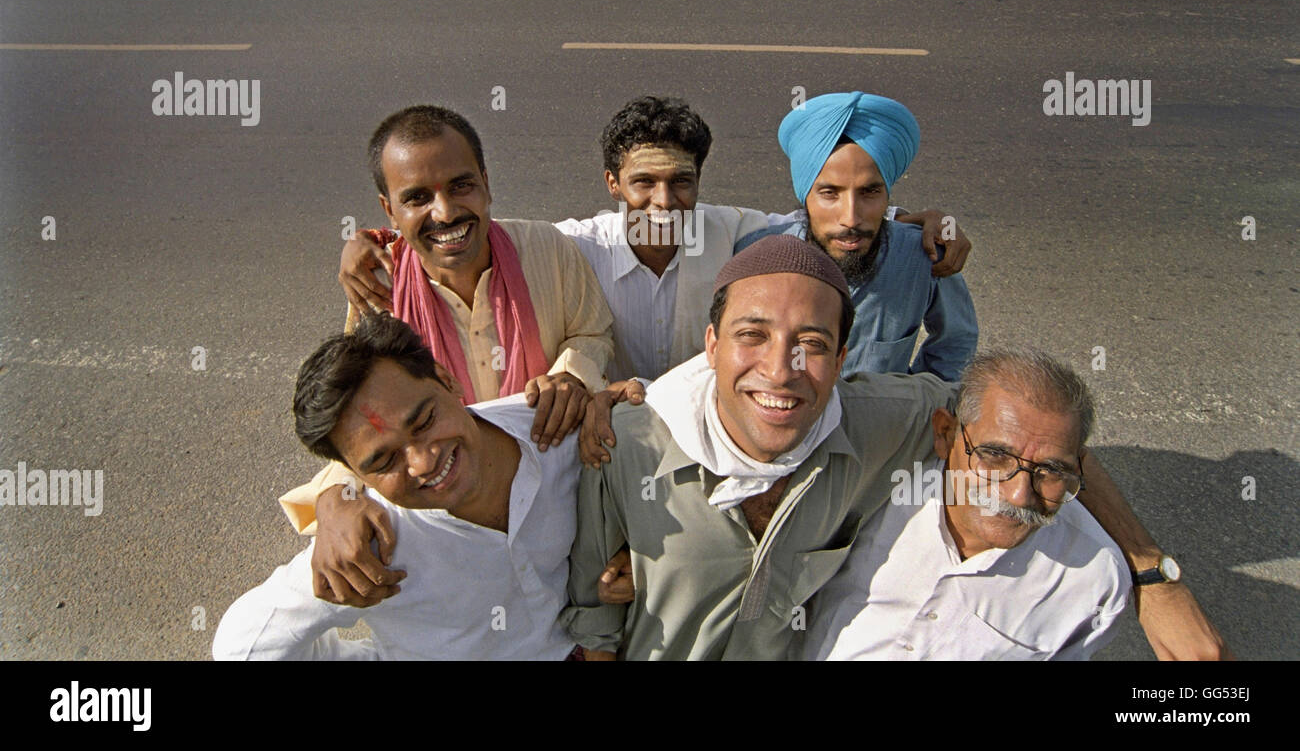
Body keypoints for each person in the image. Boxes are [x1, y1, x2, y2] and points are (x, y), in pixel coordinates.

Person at [563, 236, 1231, 661]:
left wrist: (1150, 573)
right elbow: (593, 614)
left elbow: (1033, 434)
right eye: (752, 336)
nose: (781, 368)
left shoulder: (885, 423)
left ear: (843, 359)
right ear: (710, 346)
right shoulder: (628, 440)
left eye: (814, 344)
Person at [339, 96, 971, 385]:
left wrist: (924, 221)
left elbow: (825, 219)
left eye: (682, 182)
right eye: (643, 182)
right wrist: (376, 243)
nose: (664, 202)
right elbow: (473, 234)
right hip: (609, 438)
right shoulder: (570, 249)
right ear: (612, 182)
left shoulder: (738, 236)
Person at [277, 105, 614, 606]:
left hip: (552, 491)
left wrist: (571, 378)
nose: (446, 213)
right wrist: (335, 497)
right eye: (417, 198)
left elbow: (592, 332)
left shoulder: (546, 248)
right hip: (450, 508)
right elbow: (361, 419)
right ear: (388, 211)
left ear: (486, 182)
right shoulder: (379, 286)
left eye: (460, 186)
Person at [213, 314, 583, 660]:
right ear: (352, 471)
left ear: (446, 379)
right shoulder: (369, 546)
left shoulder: (560, 433)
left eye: (424, 421)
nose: (423, 463)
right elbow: (244, 645)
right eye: (384, 461)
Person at [804, 349, 1130, 660]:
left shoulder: (1095, 579)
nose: (1019, 495)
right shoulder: (874, 492)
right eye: (996, 456)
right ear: (945, 434)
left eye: (1051, 470)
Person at [737, 91, 977, 382]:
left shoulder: (924, 256)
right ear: (805, 198)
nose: (850, 218)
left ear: (887, 194)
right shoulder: (756, 256)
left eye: (869, 192)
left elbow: (955, 346)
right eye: (829, 193)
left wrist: (918, 401)